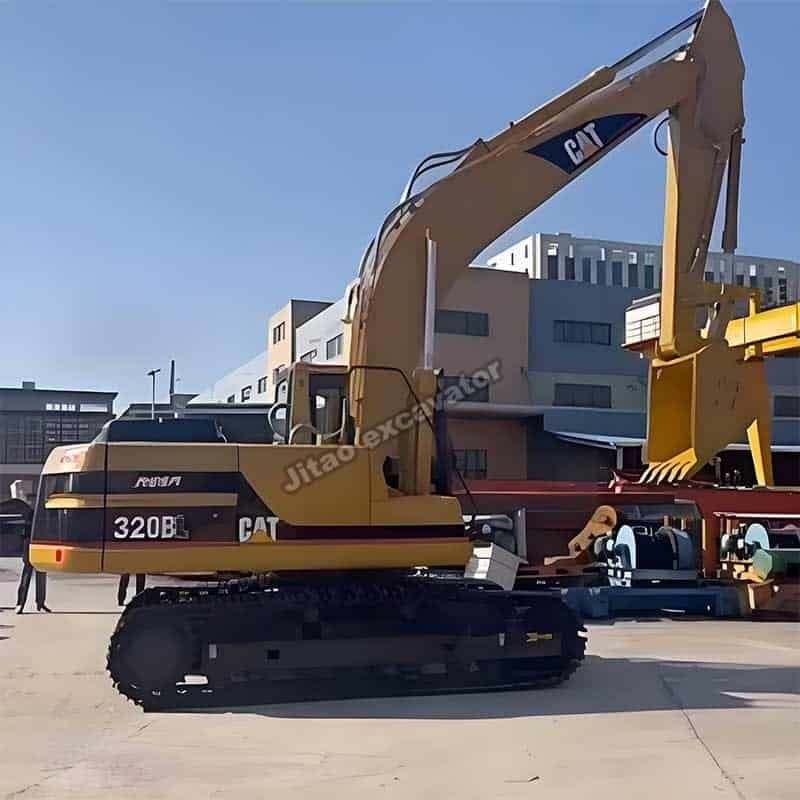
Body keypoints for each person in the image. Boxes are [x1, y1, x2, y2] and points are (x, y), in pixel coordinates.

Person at [15, 523, 50, 614]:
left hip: (41, 541)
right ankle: (20, 603)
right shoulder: (30, 512)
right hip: (29, 542)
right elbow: (24, 531)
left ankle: (40, 603)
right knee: (26, 575)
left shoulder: (43, 512)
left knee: (41, 573)